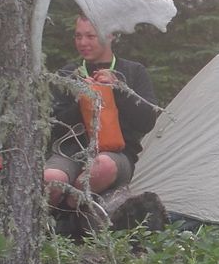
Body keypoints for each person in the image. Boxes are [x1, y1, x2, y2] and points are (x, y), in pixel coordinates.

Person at [45, 18, 157, 214]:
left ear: (110, 35)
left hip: (117, 155)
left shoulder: (133, 71)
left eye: (91, 36)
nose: (83, 43)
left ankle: (69, 212)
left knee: (102, 166)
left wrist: (119, 91)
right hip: (69, 152)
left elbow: (147, 122)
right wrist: (82, 101)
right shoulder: (67, 73)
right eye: (78, 36)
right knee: (51, 179)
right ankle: (47, 220)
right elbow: (54, 125)